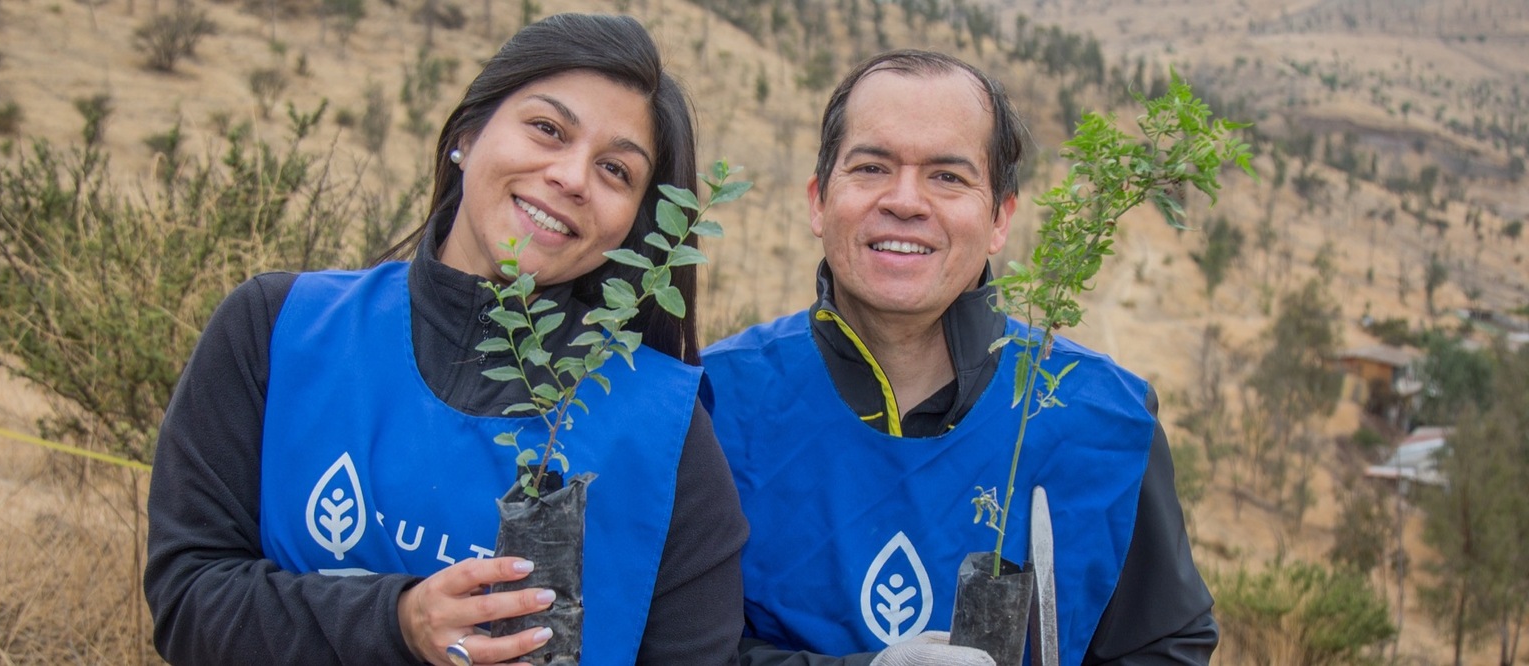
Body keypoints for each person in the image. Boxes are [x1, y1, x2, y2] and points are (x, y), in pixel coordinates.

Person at [143, 13, 748, 666]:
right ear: (467, 134)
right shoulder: (280, 327)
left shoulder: (669, 438)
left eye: (615, 170)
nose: (573, 178)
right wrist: (398, 623)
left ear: (633, 226)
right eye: (548, 129)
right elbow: (188, 602)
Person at [702, 50, 1217, 665]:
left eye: (948, 176)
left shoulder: (1106, 421)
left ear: (1000, 217)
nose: (905, 201)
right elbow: (671, 648)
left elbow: (1165, 648)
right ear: (819, 201)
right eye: (871, 167)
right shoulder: (716, 403)